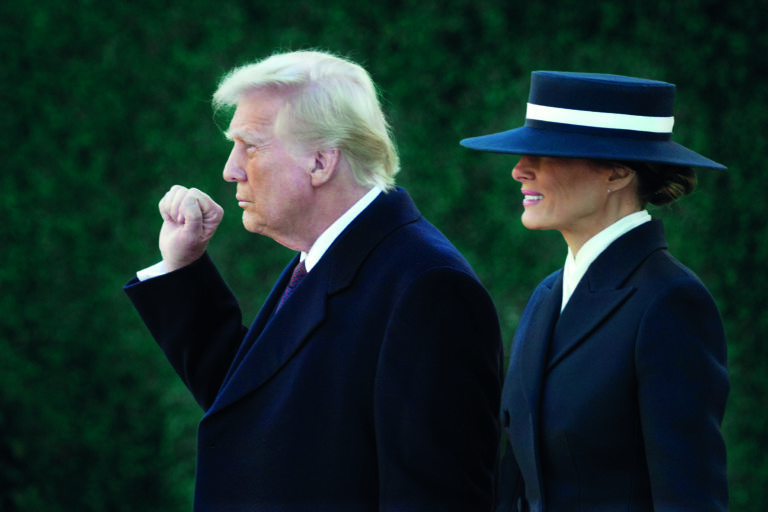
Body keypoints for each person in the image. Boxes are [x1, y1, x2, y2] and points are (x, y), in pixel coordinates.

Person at [124, 50, 503, 511]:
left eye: (251, 145)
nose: (230, 169)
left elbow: (436, 498)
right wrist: (183, 268)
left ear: (321, 163)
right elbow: (256, 403)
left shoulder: (428, 286)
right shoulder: (326, 255)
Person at [460, 71, 729, 511]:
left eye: (546, 154)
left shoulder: (670, 302)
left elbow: (689, 497)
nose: (518, 169)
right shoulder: (548, 295)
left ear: (618, 172)